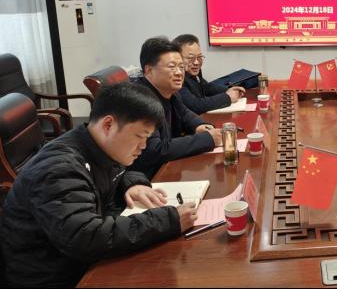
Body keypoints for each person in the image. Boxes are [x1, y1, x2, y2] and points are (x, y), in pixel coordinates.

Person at [0, 83, 198, 287]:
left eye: (147, 138)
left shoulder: (97, 144)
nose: (144, 146)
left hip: (82, 262)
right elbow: (86, 238)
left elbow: (113, 174)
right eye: (140, 136)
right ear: (108, 125)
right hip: (56, 276)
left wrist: (131, 184)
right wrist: (169, 220)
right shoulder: (58, 170)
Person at [132, 37, 221, 178]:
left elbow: (185, 114)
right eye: (172, 67)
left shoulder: (170, 91)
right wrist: (207, 139)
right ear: (149, 70)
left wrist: (200, 126)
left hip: (170, 168)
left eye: (181, 66)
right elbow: (155, 149)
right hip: (149, 178)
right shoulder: (140, 101)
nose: (179, 73)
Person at [172, 34, 245, 114]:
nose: (196, 62)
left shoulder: (192, 73)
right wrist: (227, 97)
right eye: (190, 58)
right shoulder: (177, 78)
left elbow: (208, 88)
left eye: (199, 57)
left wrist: (230, 90)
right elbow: (195, 105)